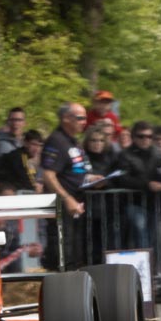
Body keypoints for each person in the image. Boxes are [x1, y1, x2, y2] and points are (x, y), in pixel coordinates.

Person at [42, 103, 100, 270]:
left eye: (85, 118)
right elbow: (48, 175)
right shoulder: (56, 141)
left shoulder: (74, 142)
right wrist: (67, 199)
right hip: (63, 205)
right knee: (63, 252)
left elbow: (75, 172)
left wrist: (93, 179)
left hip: (79, 202)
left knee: (76, 252)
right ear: (66, 118)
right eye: (80, 118)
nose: (84, 122)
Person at [116, 120, 161, 249]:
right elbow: (123, 178)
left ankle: (152, 261)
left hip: (154, 202)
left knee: (154, 237)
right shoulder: (125, 155)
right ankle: (144, 261)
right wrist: (147, 184)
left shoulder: (157, 153)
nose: (145, 139)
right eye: (141, 136)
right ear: (133, 137)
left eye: (149, 136)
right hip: (134, 202)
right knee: (140, 233)